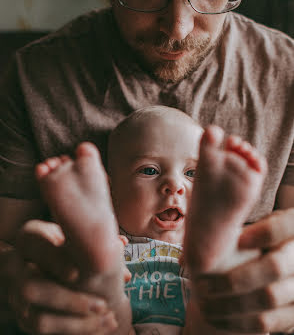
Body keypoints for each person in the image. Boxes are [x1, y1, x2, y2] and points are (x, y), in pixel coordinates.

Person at [0, 0, 293, 333]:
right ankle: (104, 265)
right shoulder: (32, 76)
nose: (178, 28)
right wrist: (17, 275)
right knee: (103, 305)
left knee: (220, 305)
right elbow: (8, 240)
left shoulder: (287, 72)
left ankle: (212, 254)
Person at [35, 105, 267, 335]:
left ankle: (215, 259)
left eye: (192, 173)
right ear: (110, 189)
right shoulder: (116, 243)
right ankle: (102, 275)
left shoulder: (193, 247)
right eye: (149, 171)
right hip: (120, 318)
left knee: (228, 306)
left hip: (199, 318)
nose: (175, 185)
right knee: (96, 307)